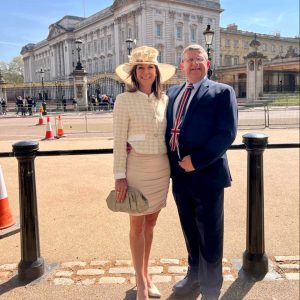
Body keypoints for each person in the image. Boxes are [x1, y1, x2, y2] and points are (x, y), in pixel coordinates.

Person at [165, 44, 238, 300]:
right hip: (179, 175)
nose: (194, 63)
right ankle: (193, 275)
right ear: (181, 65)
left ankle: (210, 287)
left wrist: (197, 160)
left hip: (207, 174)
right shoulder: (172, 93)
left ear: (207, 63)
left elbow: (226, 133)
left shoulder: (222, 92)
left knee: (210, 232)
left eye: (199, 59)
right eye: (189, 59)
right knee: (189, 229)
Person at [113, 46, 175, 300]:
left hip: (161, 168)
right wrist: (119, 175)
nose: (146, 71)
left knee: (151, 223)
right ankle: (140, 282)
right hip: (136, 166)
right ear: (134, 73)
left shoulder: (165, 99)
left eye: (150, 67)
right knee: (136, 224)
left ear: (156, 71)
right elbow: (118, 140)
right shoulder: (123, 100)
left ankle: (147, 274)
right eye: (141, 67)